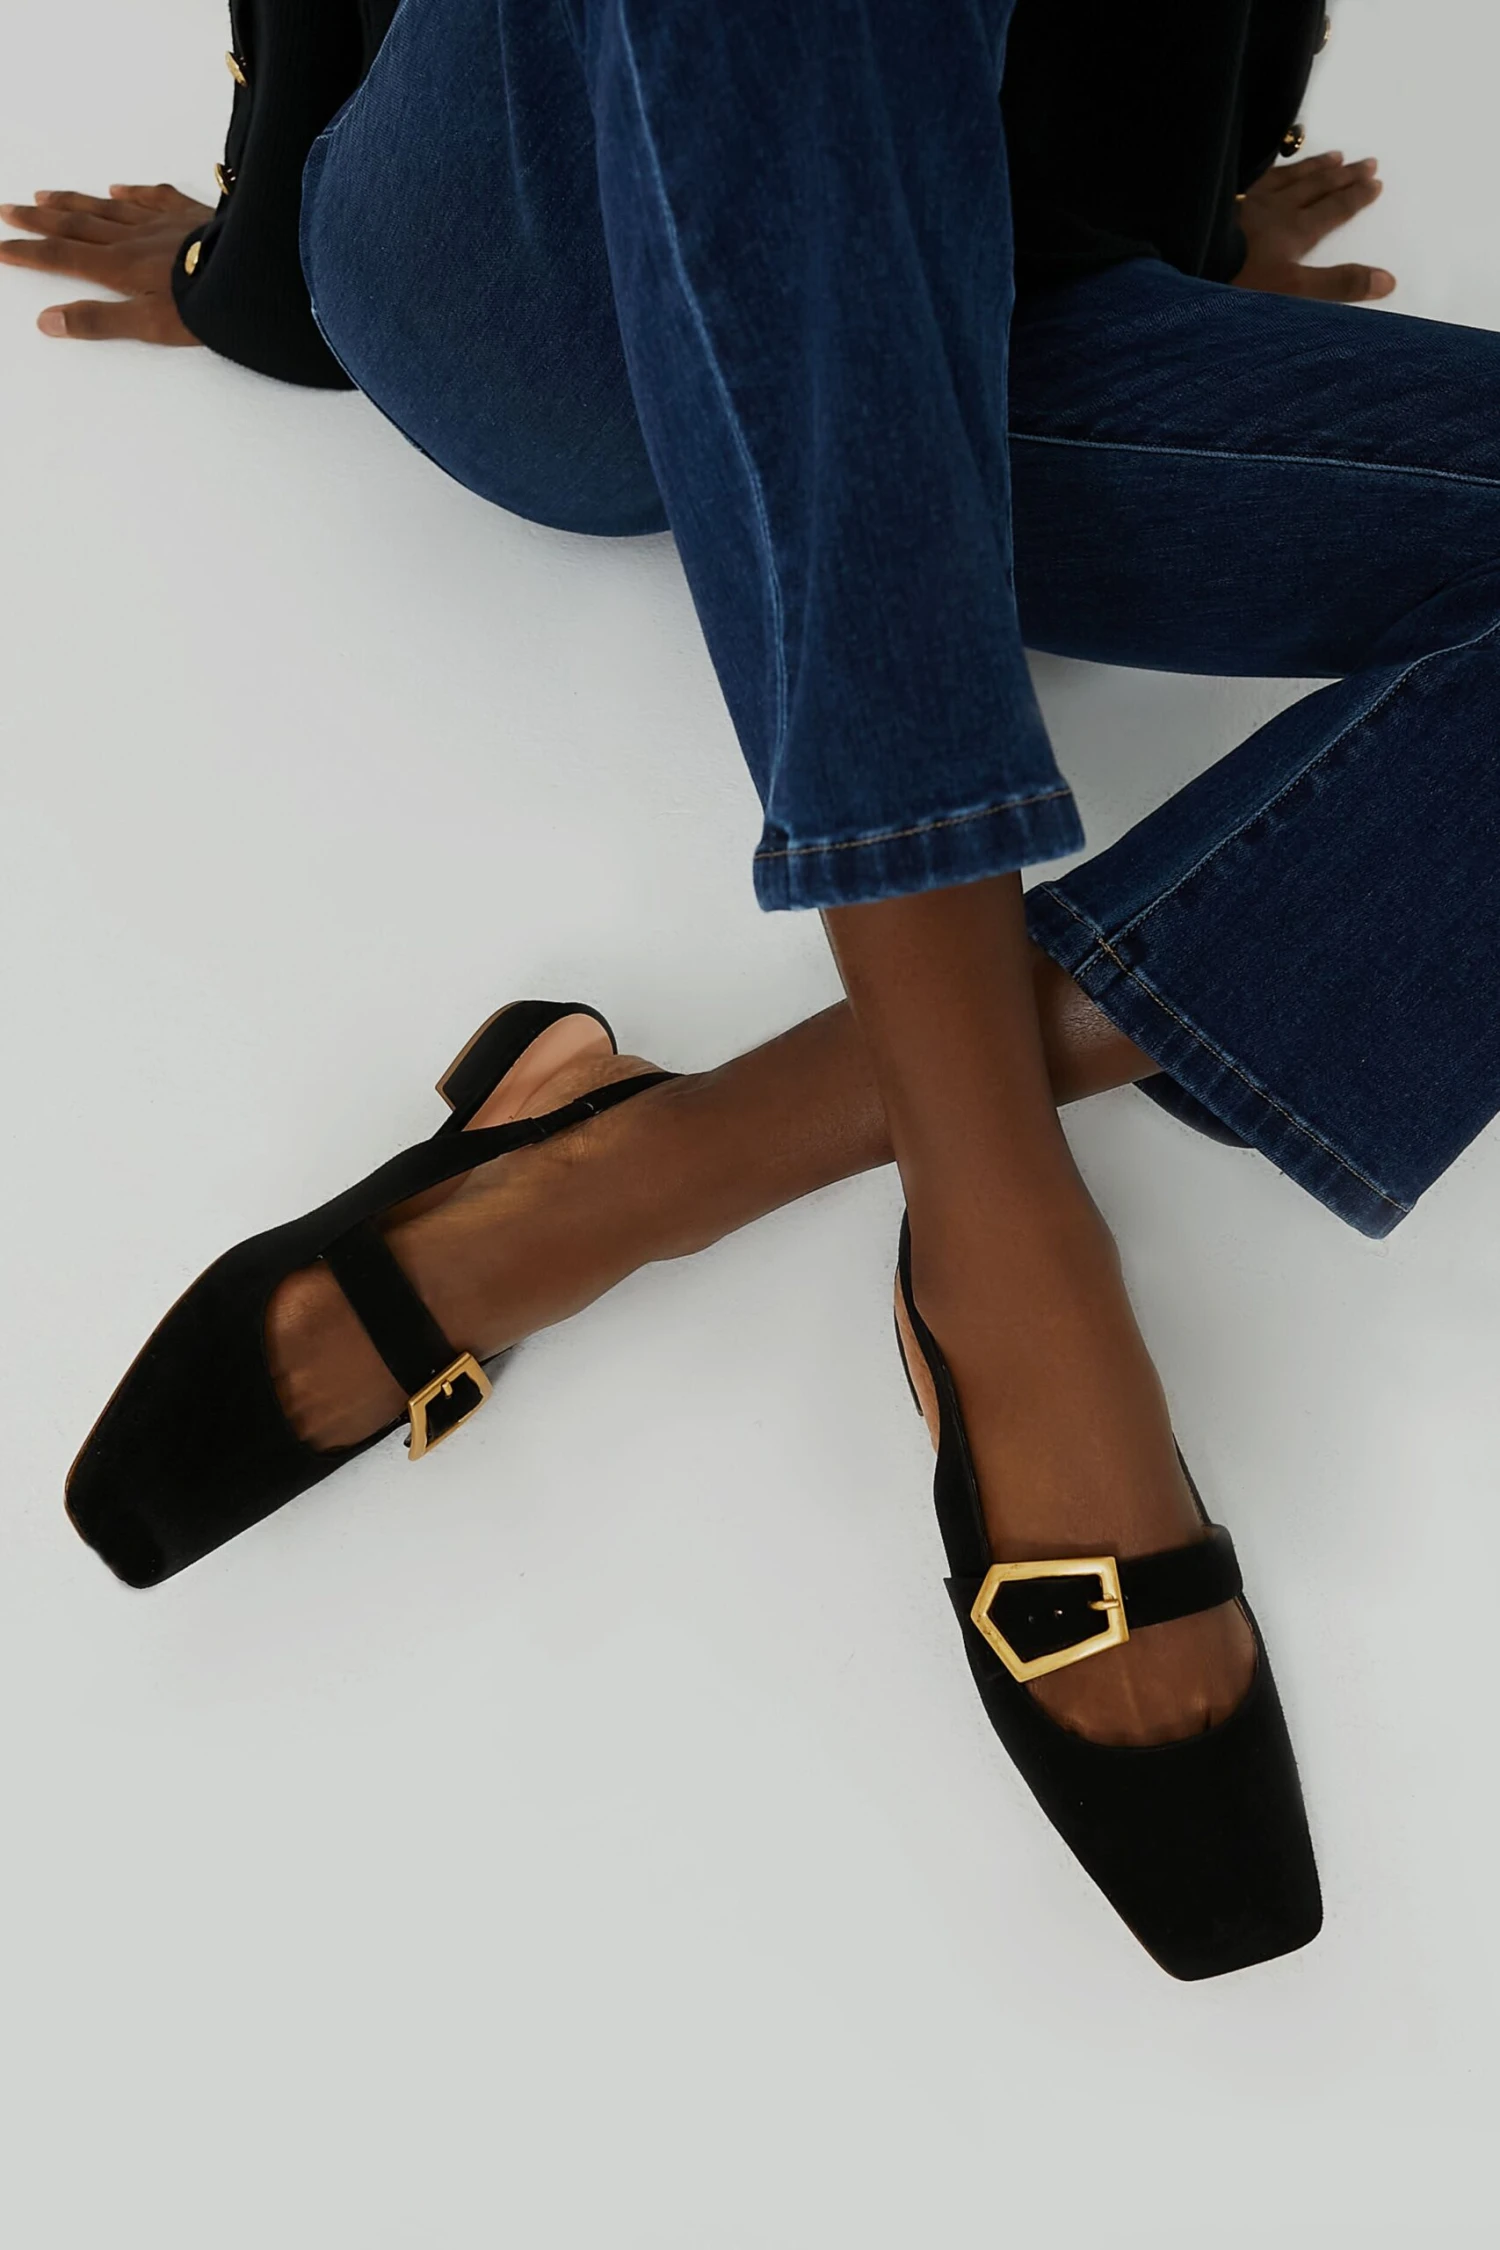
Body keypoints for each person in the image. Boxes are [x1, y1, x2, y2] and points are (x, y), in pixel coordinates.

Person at [10, 0, 1494, 1982]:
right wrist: (246, 274)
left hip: (966, 291)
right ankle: (1010, 1263)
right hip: (538, 282)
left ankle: (661, 1165)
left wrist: (1199, 223)